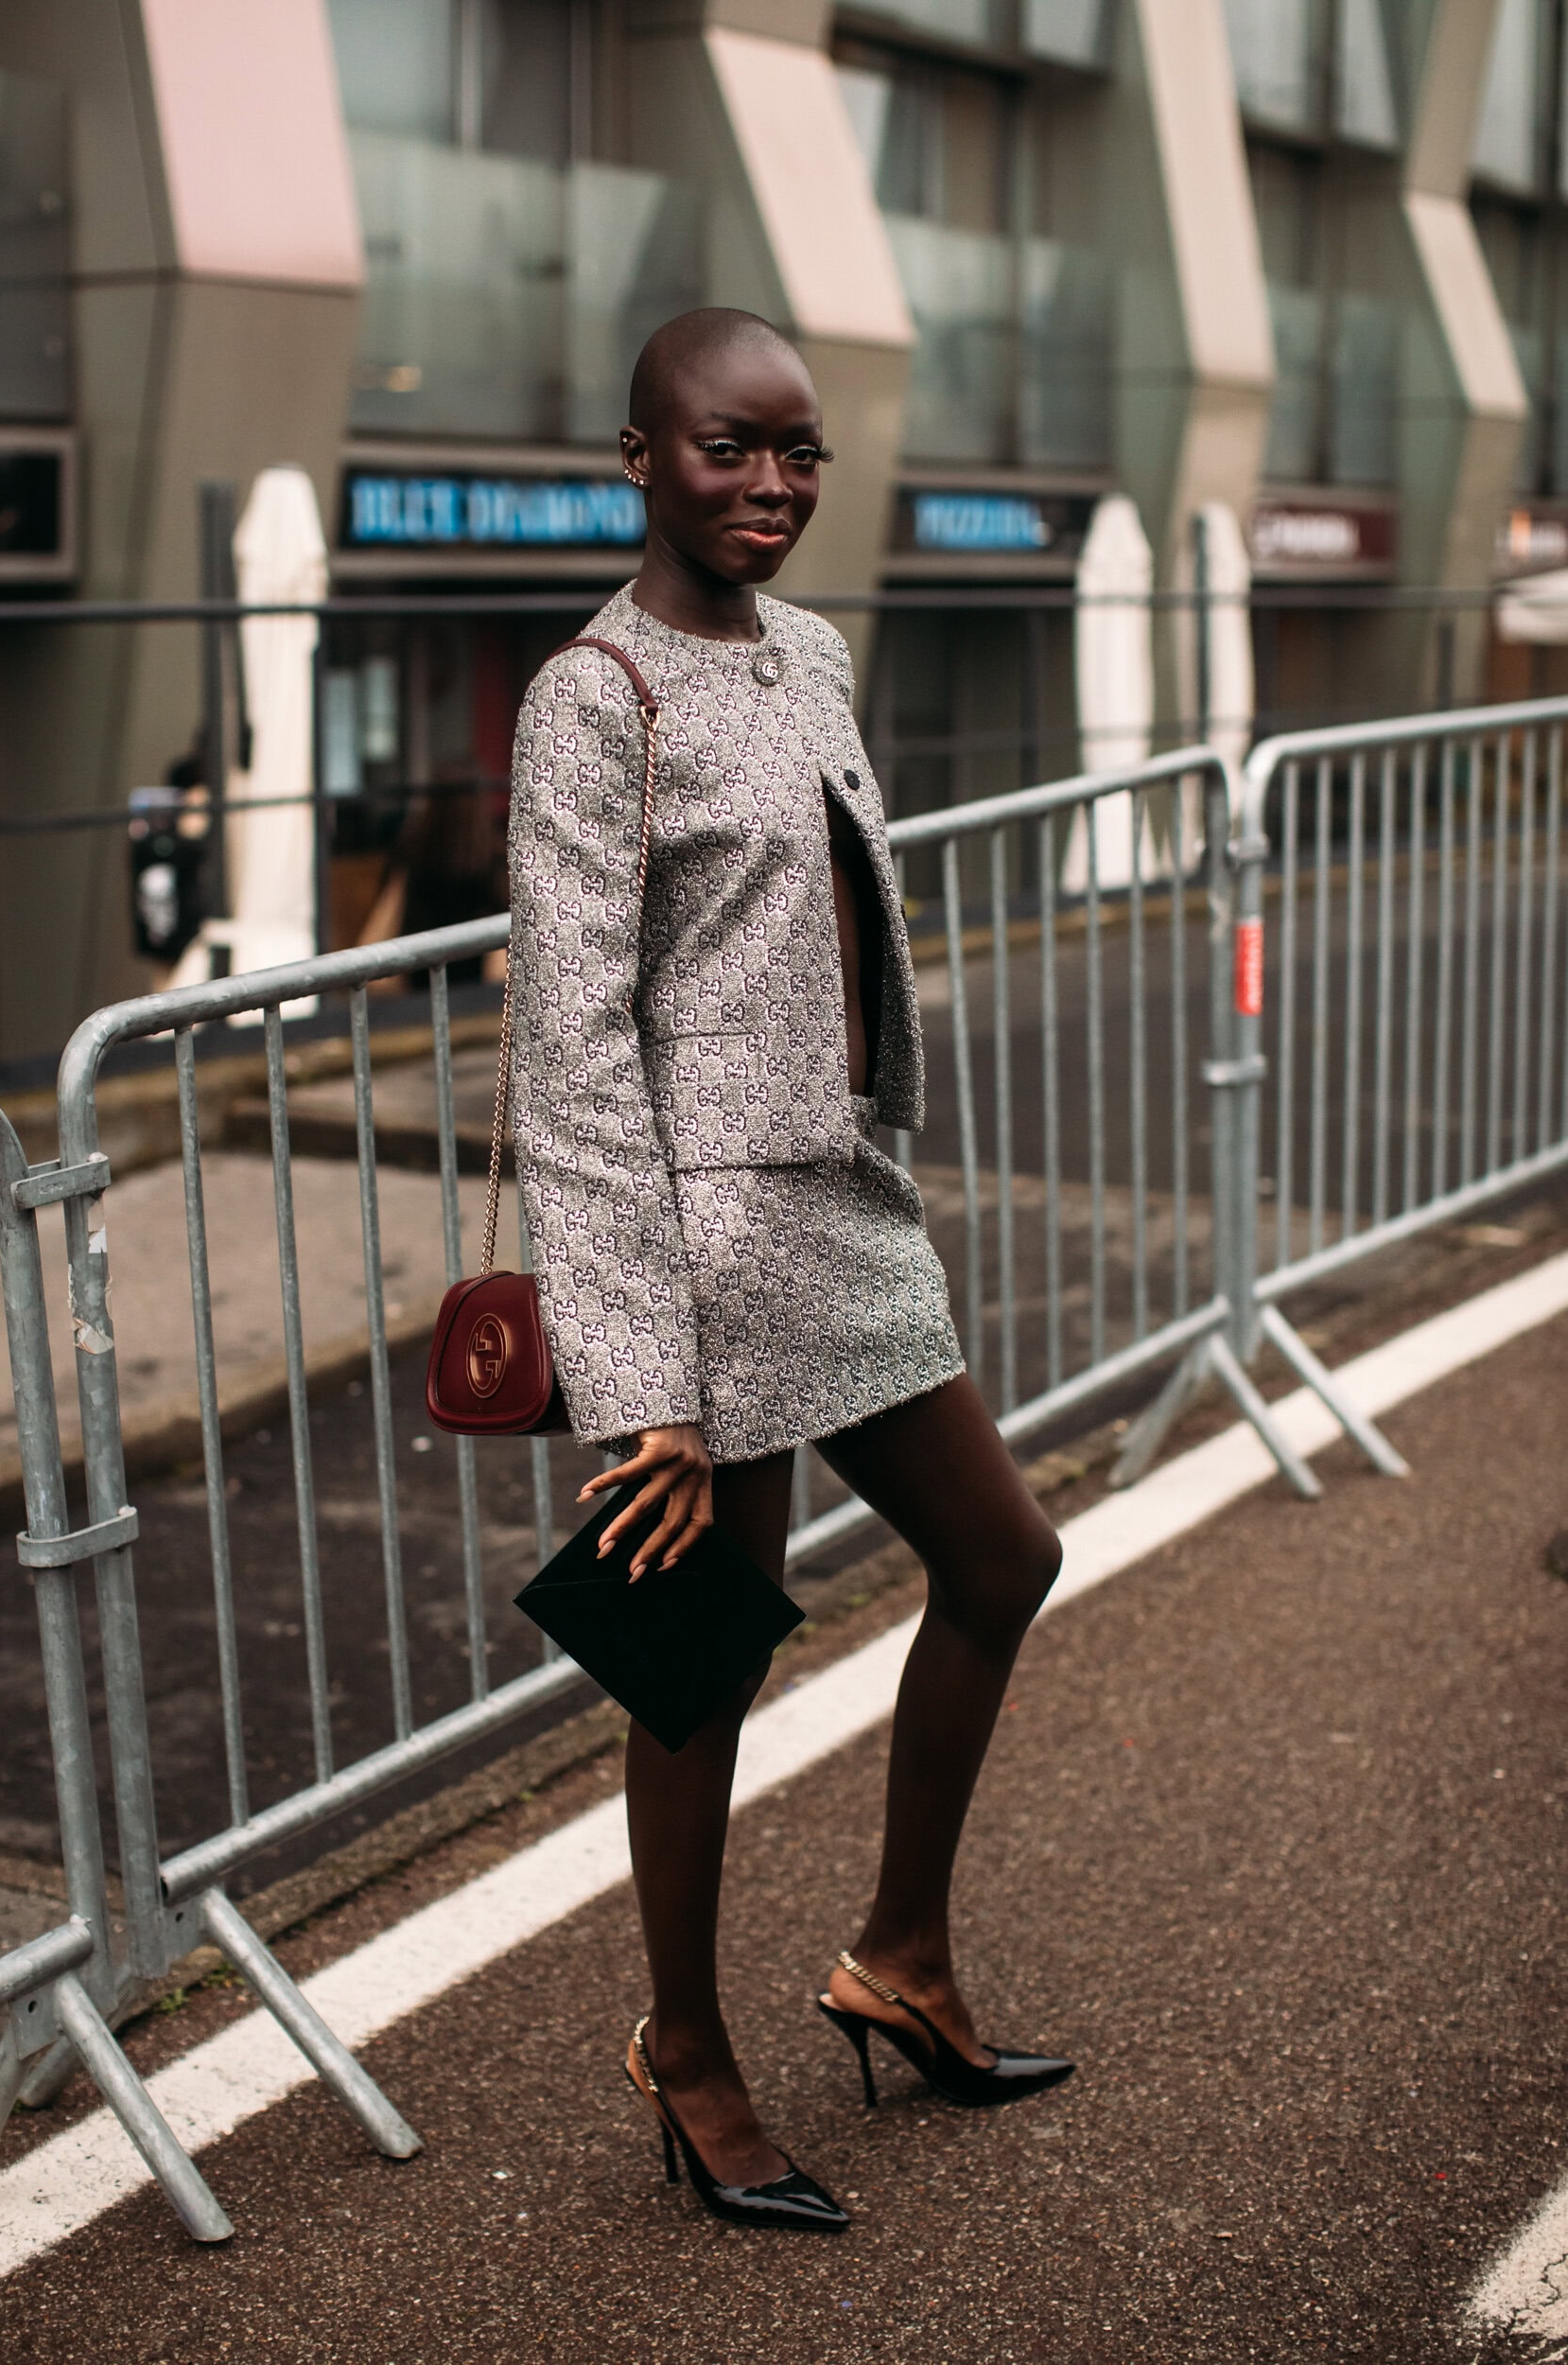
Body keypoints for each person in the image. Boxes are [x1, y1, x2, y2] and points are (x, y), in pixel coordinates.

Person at [507, 307, 1070, 2235]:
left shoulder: (813, 648)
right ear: (640, 458)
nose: (771, 483)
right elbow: (571, 1057)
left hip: (841, 1196)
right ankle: (688, 2045)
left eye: (798, 451)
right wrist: (638, 1370)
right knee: (699, 1658)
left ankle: (899, 1951)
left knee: (1003, 1554)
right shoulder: (594, 699)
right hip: (706, 1239)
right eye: (730, 448)